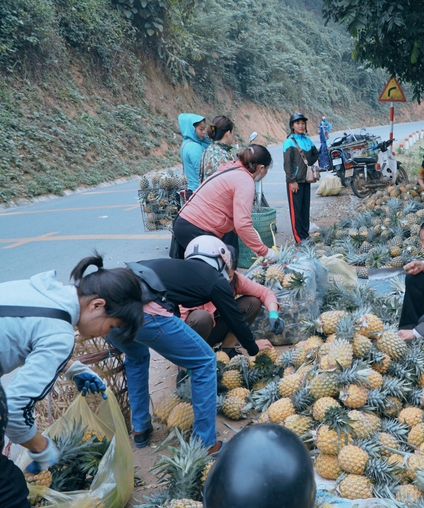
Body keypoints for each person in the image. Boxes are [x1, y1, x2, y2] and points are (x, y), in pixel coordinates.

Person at [107, 236, 275, 452]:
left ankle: (140, 428)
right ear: (221, 259)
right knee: (205, 362)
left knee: (136, 359)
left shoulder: (177, 269)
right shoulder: (212, 278)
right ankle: (206, 443)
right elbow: (235, 319)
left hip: (110, 314)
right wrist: (253, 349)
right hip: (146, 314)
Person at [0, 256, 143, 501]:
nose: (106, 334)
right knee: (10, 491)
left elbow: (23, 334)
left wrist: (70, 367)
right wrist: (41, 448)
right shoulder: (60, 331)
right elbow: (14, 409)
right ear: (97, 305)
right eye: (111, 326)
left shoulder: (41, 289)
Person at [170, 144, 278, 264]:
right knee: (219, 272)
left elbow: (238, 221)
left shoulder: (232, 168)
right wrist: (264, 252)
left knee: (199, 274)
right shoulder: (245, 180)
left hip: (184, 222)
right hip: (197, 228)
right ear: (261, 168)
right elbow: (242, 224)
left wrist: (255, 246)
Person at [180, 242, 284, 358]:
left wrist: (273, 313)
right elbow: (178, 326)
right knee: (202, 317)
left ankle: (227, 350)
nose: (227, 280)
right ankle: (194, 358)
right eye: (224, 275)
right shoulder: (194, 284)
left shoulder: (235, 280)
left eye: (230, 276)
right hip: (192, 337)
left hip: (216, 329)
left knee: (253, 302)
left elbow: (265, 292)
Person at [283, 112, 319, 243]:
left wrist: (308, 166)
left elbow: (315, 154)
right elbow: (288, 164)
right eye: (298, 123)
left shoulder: (307, 140)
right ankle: (299, 239)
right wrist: (292, 180)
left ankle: (305, 234)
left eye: (303, 123)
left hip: (306, 180)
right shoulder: (288, 142)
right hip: (295, 182)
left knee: (305, 209)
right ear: (292, 125)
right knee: (296, 211)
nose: (301, 125)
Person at [179, 113, 211, 199]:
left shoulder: (186, 143)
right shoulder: (194, 147)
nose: (203, 132)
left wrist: (204, 137)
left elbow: (209, 145)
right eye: (201, 129)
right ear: (192, 130)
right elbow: (202, 173)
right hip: (199, 192)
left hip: (192, 190)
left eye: (204, 129)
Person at [199, 115, 236, 183]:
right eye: (233, 132)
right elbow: (228, 183)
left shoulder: (209, 149)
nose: (233, 135)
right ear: (228, 133)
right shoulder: (221, 156)